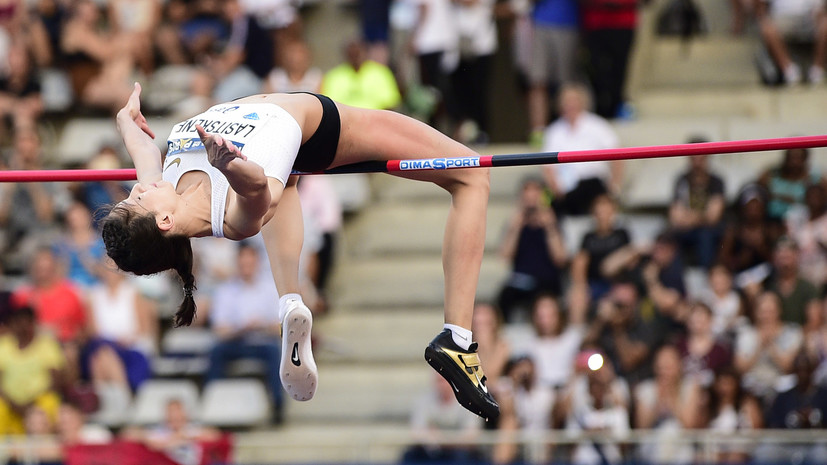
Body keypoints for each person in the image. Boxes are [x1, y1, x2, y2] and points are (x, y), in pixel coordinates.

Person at [100, 83, 498, 419]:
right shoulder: (235, 217)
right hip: (312, 126)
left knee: (286, 177)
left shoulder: (160, 188)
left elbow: (145, 153)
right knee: (472, 174)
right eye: (137, 199)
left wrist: (125, 122)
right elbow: (256, 192)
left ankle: (290, 301)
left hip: (280, 135)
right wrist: (231, 166)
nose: (137, 188)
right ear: (164, 222)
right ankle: (459, 339)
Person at [206, 242, 282, 421]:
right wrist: (241, 329)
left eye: (250, 262)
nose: (246, 267)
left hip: (263, 341)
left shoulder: (270, 289)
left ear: (257, 263)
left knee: (275, 351)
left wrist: (261, 325)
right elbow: (219, 330)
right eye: (243, 263)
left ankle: (278, 404)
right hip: (236, 341)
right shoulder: (225, 290)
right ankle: (211, 399)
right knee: (216, 351)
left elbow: (280, 327)